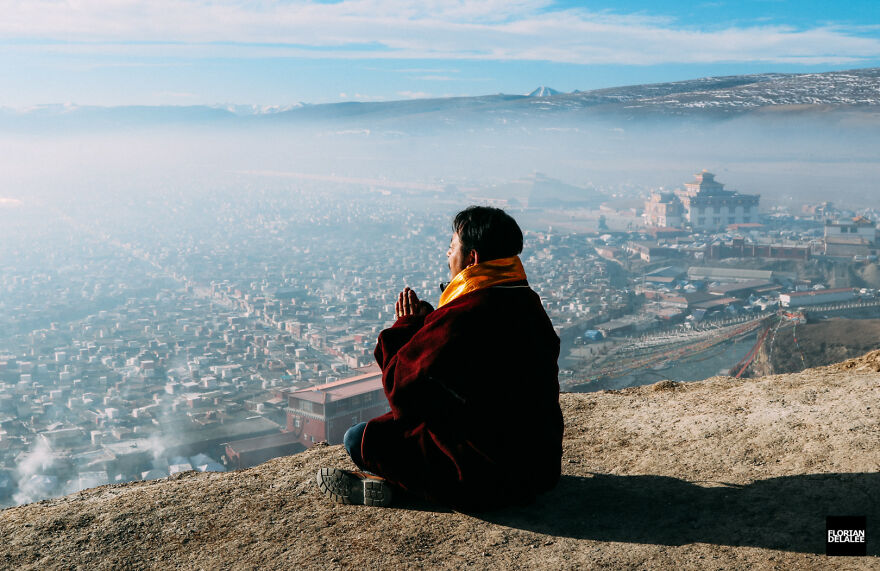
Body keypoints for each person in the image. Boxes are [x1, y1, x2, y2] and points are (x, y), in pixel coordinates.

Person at [317, 206, 563, 510]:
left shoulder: (463, 315)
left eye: (451, 248)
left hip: (487, 478)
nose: (448, 257)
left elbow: (403, 393)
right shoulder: (527, 302)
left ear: (471, 258)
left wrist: (407, 328)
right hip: (539, 470)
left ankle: (413, 491)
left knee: (359, 438)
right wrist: (430, 326)